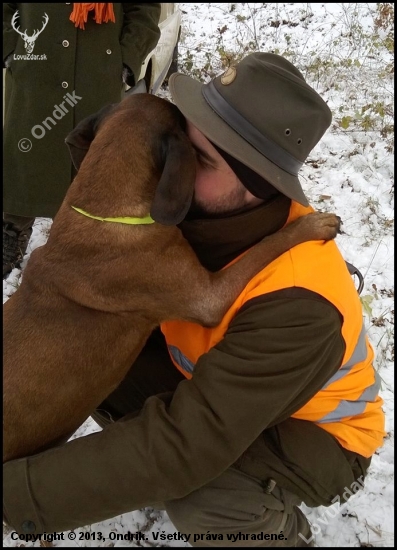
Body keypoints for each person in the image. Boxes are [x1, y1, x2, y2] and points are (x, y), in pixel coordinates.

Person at [3, 53, 385, 547]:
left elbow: (186, 445)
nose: (173, 167)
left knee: (203, 495)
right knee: (88, 357)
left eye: (200, 160)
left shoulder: (298, 300)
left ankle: (281, 533)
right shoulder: (189, 217)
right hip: (215, 377)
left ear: (257, 187)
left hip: (317, 440)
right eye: (184, 142)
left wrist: (18, 497)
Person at [3, 2, 161, 278]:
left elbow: (144, 9)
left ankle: (82, 237)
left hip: (95, 73)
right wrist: (8, 49)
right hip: (35, 67)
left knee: (91, 159)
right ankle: (12, 230)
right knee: (25, 151)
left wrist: (125, 59)